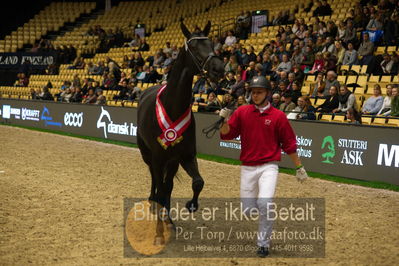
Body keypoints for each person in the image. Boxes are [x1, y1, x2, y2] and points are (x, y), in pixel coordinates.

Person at [218, 76, 308, 258]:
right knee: (248, 211)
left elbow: (289, 144)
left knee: (266, 204)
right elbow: (226, 135)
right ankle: (261, 209)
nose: (256, 95)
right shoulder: (242, 112)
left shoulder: (278, 116)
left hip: (269, 166)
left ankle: (263, 244)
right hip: (248, 167)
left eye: (259, 92)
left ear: (267, 93)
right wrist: (223, 121)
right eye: (253, 92)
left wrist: (299, 167)